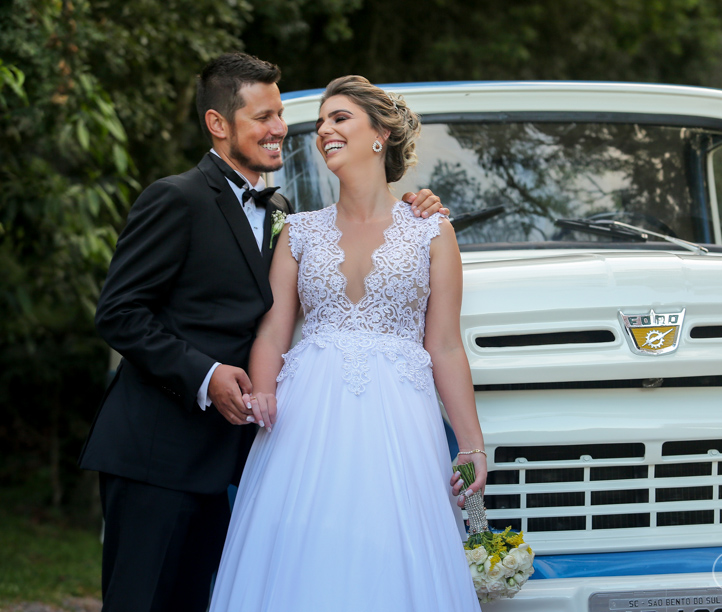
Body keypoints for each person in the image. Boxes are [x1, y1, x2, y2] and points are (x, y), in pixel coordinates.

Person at [79, 54, 448, 612]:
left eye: (280, 114)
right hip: (156, 454)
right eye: (263, 117)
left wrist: (418, 203)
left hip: (225, 459)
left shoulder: (282, 211)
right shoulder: (175, 197)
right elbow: (119, 312)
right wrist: (205, 374)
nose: (280, 128)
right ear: (218, 124)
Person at [207, 75, 486, 610]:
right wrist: (262, 392)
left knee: (393, 546)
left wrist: (471, 446)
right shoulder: (298, 230)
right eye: (321, 123)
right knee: (305, 548)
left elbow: (446, 346)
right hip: (304, 418)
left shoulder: (431, 230)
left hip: (400, 420)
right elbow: (273, 329)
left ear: (381, 134)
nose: (324, 131)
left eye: (340, 118)